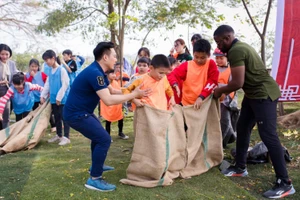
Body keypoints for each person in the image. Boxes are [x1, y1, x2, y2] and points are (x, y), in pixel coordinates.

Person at [213, 25, 295, 199]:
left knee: (269, 136)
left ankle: (285, 183)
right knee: (242, 127)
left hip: (263, 95)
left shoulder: (236, 50)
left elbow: (237, 82)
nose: (218, 47)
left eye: (219, 42)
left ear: (227, 37)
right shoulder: (238, 48)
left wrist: (220, 90)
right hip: (253, 95)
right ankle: (240, 167)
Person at [63, 42, 150, 192]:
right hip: (76, 114)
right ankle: (94, 179)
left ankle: (96, 166)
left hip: (83, 112)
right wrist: (133, 95)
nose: (116, 60)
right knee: (104, 139)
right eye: (114, 56)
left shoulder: (98, 71)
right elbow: (108, 100)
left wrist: (132, 91)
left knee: (99, 138)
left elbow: (113, 91)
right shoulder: (94, 73)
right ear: (105, 57)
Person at [168, 39, 219, 109]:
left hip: (204, 103)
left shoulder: (211, 64)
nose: (199, 60)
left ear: (208, 55)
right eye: (196, 57)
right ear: (193, 54)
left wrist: (201, 96)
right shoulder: (187, 65)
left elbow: (213, 80)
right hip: (187, 105)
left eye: (202, 57)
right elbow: (172, 75)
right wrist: (175, 84)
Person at [40, 50, 71, 146]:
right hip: (53, 99)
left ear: (53, 58)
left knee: (64, 117)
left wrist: (59, 97)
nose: (46, 62)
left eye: (47, 59)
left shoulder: (61, 70)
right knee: (57, 117)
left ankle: (66, 137)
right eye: (45, 60)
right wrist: (43, 95)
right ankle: (59, 135)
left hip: (62, 99)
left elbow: (65, 84)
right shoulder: (50, 71)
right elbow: (47, 84)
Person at [213, 48, 237, 148]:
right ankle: (230, 137)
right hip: (215, 99)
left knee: (225, 121)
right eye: (217, 58)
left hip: (226, 100)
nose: (218, 60)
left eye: (221, 58)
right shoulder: (214, 69)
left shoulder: (231, 70)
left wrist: (224, 94)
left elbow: (233, 85)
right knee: (217, 121)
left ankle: (221, 142)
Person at [100, 70, 129, 141]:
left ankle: (120, 132)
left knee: (120, 118)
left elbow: (118, 91)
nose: (114, 75)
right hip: (109, 104)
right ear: (107, 75)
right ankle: (108, 135)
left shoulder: (116, 82)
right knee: (108, 119)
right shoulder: (105, 83)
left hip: (117, 103)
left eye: (114, 73)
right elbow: (111, 92)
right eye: (112, 73)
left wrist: (124, 93)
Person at [0, 44, 18, 129]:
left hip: (7, 90)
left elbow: (15, 75)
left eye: (6, 54)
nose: (4, 56)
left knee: (6, 112)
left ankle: (5, 133)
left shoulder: (11, 64)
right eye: (2, 54)